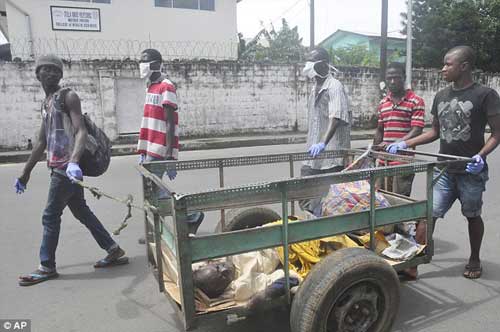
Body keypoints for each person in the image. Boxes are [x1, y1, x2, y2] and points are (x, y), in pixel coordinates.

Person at [387, 46, 500, 279]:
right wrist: (405, 144)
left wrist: (481, 155)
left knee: (472, 215)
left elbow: (498, 132)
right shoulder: (441, 96)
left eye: (448, 64)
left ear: (464, 66)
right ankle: (413, 265)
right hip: (444, 170)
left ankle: (475, 258)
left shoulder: (485, 95)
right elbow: (434, 132)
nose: (443, 69)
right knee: (429, 214)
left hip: (471, 171)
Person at [15, 55, 127, 287]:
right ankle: (113, 249)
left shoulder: (69, 97)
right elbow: (41, 142)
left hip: (66, 168)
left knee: (50, 215)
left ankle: (46, 266)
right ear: (37, 74)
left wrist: (74, 162)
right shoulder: (47, 103)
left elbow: (81, 131)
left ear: (61, 75)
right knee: (81, 211)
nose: (51, 73)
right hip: (58, 166)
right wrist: (25, 173)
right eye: (45, 69)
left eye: (55, 70)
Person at [137, 49, 204, 233]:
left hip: (159, 148)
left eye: (147, 61)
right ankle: (155, 231)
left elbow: (169, 122)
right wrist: (142, 150)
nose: (142, 65)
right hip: (149, 147)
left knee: (154, 190)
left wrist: (168, 154)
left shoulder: (166, 87)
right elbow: (149, 119)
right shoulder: (150, 86)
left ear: (158, 64)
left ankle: (191, 215)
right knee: (150, 191)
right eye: (141, 61)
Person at [300, 47, 351, 215]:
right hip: (313, 156)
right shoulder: (314, 88)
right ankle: (311, 228)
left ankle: (324, 233)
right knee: (305, 197)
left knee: (329, 202)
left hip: (330, 157)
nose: (309, 65)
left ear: (323, 65)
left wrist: (323, 143)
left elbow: (335, 117)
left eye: (312, 61)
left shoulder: (334, 87)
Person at [373, 62, 425, 197]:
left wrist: (397, 143)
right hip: (384, 161)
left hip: (403, 162)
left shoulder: (415, 101)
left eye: (396, 77)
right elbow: (380, 130)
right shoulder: (383, 103)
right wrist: (373, 151)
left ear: (404, 77)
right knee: (379, 199)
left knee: (399, 202)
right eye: (389, 78)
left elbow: (417, 130)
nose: (392, 81)